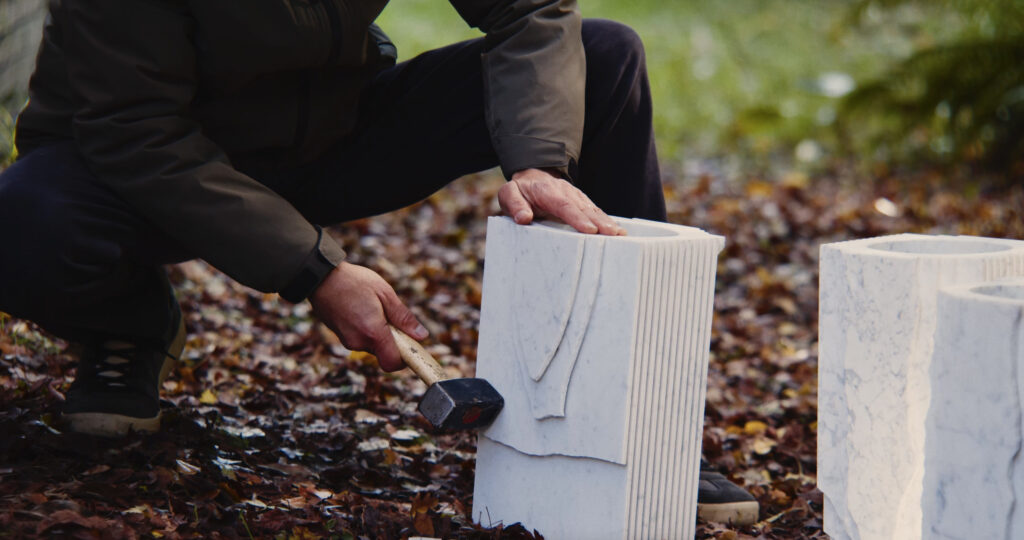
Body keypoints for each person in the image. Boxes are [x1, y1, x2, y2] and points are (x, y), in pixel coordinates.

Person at [0, 0, 757, 527]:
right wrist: (316, 270)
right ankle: (128, 322)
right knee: (24, 224)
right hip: (133, 165)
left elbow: (528, 9)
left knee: (605, 59)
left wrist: (539, 162)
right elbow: (135, 129)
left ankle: (634, 435)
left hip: (329, 134)